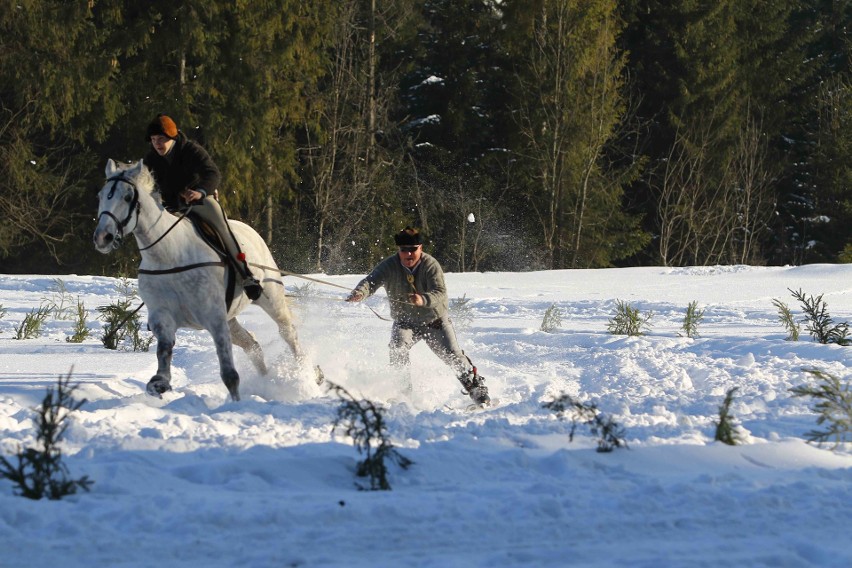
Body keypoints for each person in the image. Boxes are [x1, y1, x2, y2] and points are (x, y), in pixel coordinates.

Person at [346, 227, 490, 406]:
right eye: (403, 250)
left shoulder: (430, 265)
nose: (408, 254)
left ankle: (477, 390)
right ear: (398, 250)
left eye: (413, 249)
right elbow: (371, 281)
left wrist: (423, 299)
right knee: (397, 348)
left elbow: (440, 293)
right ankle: (404, 396)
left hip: (435, 321)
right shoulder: (389, 265)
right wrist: (360, 292)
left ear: (420, 248)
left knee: (453, 356)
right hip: (405, 323)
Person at [143, 114, 262, 300]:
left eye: (161, 139)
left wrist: (200, 191)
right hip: (171, 207)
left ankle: (246, 275)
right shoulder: (151, 159)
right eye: (153, 140)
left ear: (172, 138)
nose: (157, 144)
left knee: (222, 228)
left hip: (200, 202)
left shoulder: (191, 150)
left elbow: (213, 173)